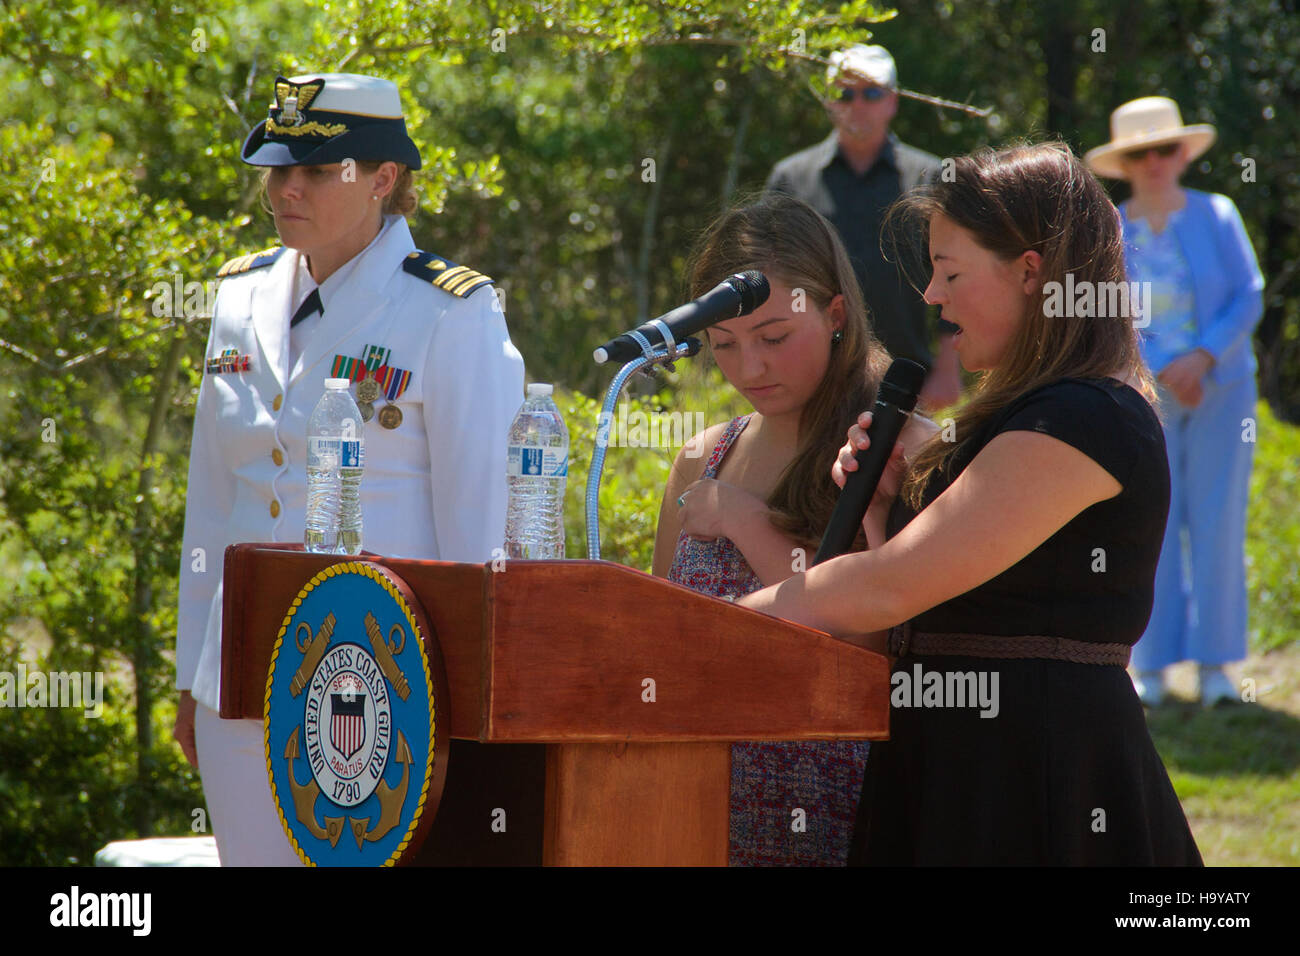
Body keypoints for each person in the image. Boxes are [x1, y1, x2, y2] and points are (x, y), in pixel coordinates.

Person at [738, 143, 1203, 865]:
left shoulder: (1086, 417)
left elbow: (890, 584)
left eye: (950, 271)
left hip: (1032, 784)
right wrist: (886, 504)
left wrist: (722, 625)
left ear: (1030, 271)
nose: (931, 294)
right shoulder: (1035, 415)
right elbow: (928, 595)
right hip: (959, 768)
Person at [171, 73, 525, 865]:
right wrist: (193, 669)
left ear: (384, 180)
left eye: (315, 170)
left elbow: (481, 527)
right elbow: (213, 498)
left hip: (380, 678)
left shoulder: (451, 311)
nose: (286, 188)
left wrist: (468, 707)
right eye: (276, 170)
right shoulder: (239, 295)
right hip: (237, 670)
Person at [651, 192, 933, 865]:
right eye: (724, 344)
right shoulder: (701, 457)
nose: (750, 368)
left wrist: (746, 521)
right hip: (697, 805)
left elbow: (868, 646)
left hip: (840, 807)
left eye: (774, 337)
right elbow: (659, 639)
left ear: (836, 313)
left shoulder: (900, 449)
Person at [1085, 96, 1264, 708]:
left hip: (1222, 393)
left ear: (1183, 152)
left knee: (1218, 525)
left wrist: (1203, 356)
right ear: (1124, 163)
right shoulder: (1109, 227)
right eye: (1141, 152)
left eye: (1165, 148)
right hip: (1144, 399)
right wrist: (1158, 371)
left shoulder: (1219, 213)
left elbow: (1249, 295)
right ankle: (1152, 668)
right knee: (1151, 528)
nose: (1155, 161)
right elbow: (1101, 313)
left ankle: (1217, 668)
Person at [765, 43, 962, 412]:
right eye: (844, 93)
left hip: (907, 379)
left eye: (871, 93)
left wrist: (949, 367)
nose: (857, 105)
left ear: (893, 101)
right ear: (828, 101)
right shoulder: (790, 179)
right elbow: (768, 278)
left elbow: (953, 271)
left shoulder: (931, 176)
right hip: (811, 377)